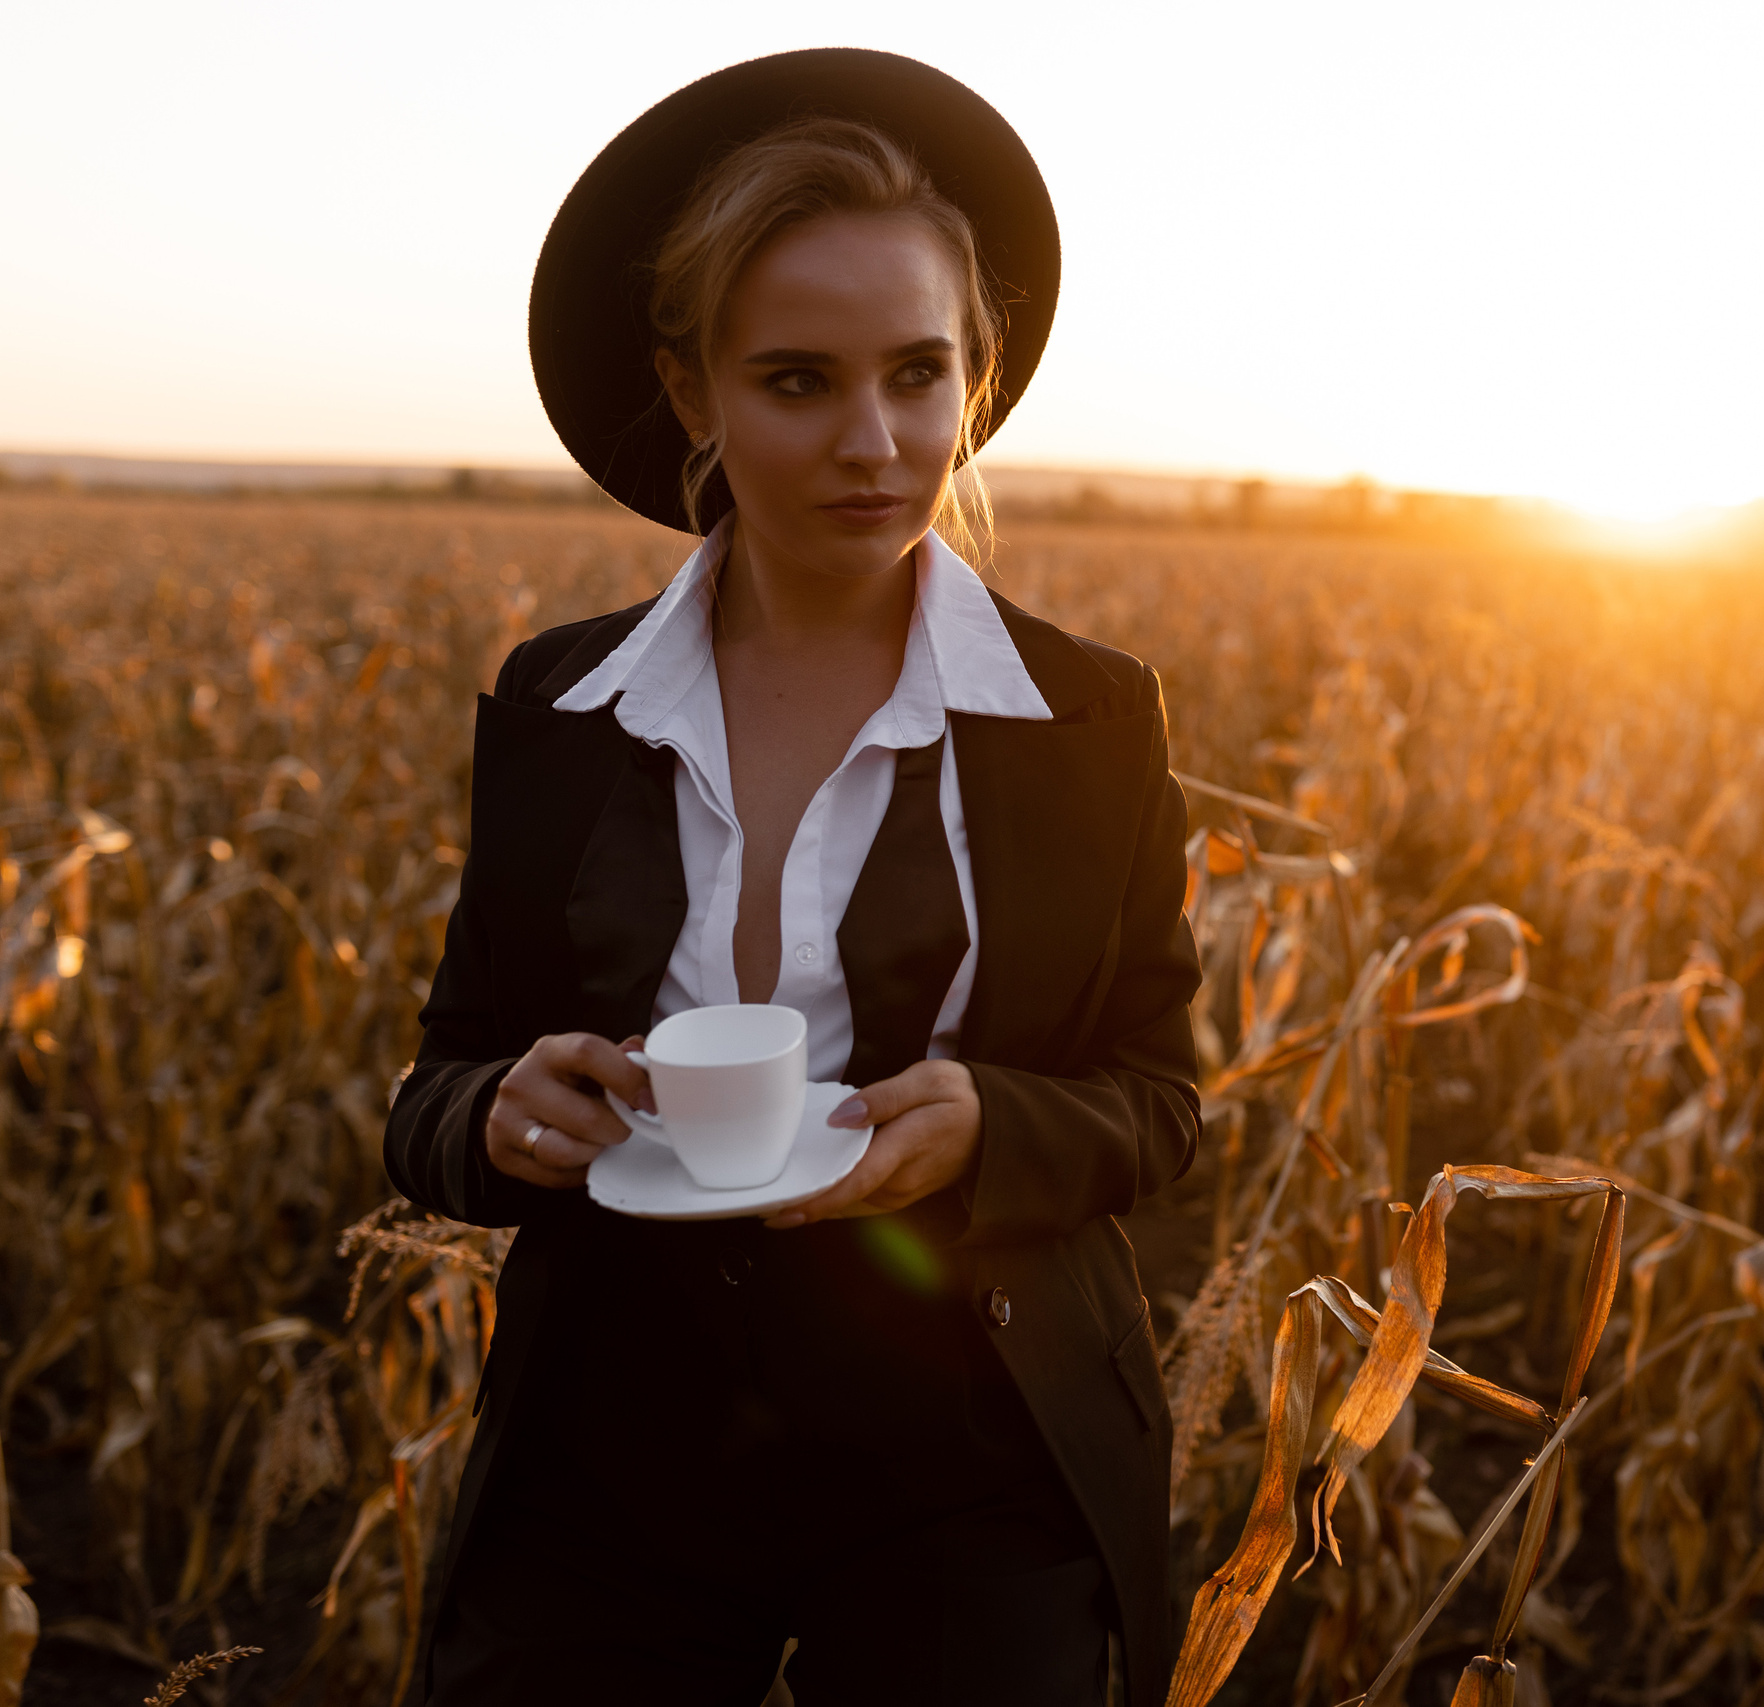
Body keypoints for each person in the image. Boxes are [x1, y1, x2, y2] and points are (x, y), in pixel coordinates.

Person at [382, 49, 1200, 1706]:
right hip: (612, 1439)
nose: (877, 443)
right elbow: (440, 1077)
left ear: (977, 375)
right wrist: (493, 1118)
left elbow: (1159, 1104)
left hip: (980, 1444)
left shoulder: (1087, 716)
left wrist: (996, 1126)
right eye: (798, 381)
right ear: (691, 394)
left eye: (919, 372)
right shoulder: (562, 703)